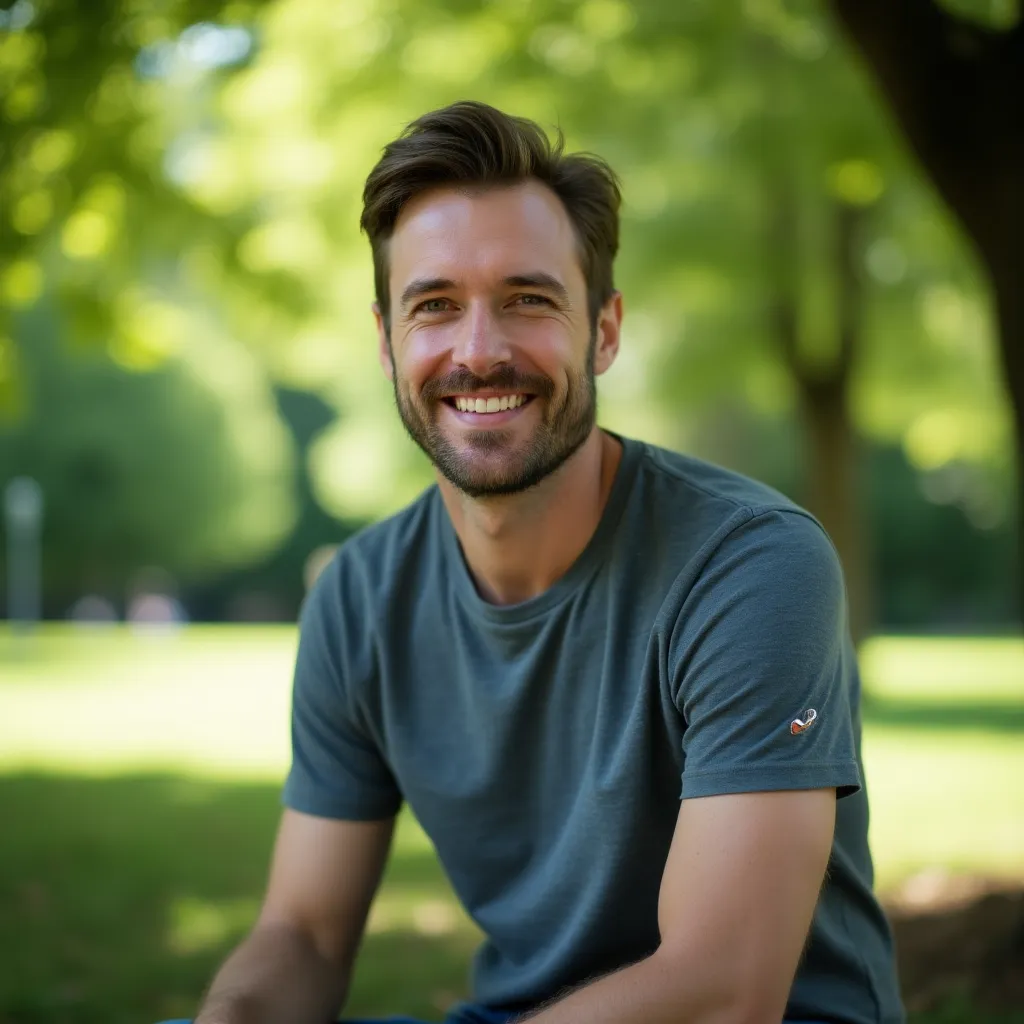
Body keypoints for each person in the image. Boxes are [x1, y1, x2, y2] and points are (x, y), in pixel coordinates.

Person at [184, 101, 905, 1024]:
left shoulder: (750, 565)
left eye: (528, 299)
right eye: (434, 306)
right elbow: (305, 935)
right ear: (386, 341)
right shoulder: (359, 597)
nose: (479, 352)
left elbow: (724, 991)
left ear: (603, 330)